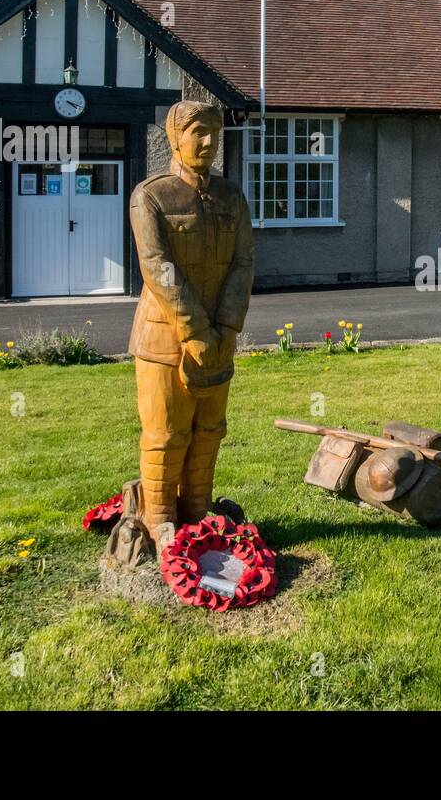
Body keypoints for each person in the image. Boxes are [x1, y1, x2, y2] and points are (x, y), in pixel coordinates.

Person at [127, 100, 254, 549]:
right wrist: (195, 331)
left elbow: (243, 265)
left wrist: (226, 329)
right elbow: (157, 267)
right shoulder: (152, 196)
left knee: (209, 430)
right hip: (164, 338)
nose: (207, 143)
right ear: (174, 137)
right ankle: (159, 518)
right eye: (198, 132)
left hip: (220, 340)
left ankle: (197, 510)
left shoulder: (231, 197)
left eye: (214, 135)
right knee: (167, 431)